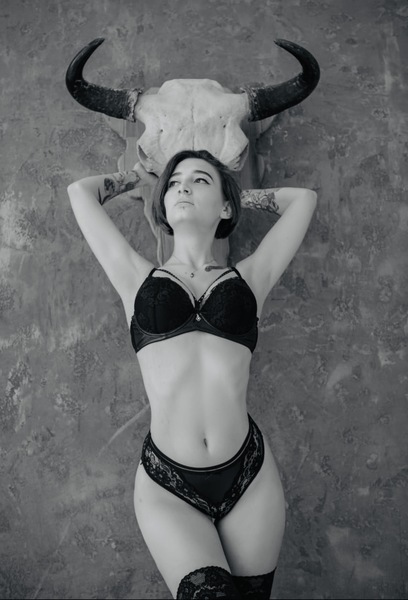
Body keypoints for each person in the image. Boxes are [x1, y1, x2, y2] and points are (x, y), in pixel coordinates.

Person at [67, 149, 317, 599]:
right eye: (174, 182)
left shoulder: (251, 279)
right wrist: (138, 177)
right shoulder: (135, 277)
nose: (182, 185)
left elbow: (304, 200)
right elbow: (79, 192)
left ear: (225, 209)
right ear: (163, 204)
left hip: (250, 474)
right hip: (169, 483)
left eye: (200, 180)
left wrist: (236, 193)